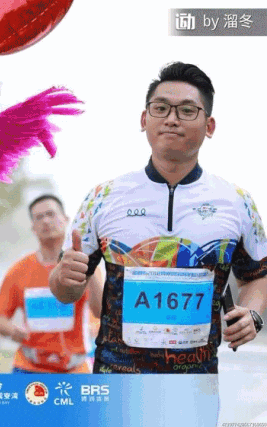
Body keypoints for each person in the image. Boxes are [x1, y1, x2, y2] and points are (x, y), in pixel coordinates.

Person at [49, 62, 267, 426]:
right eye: (161, 108)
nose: (172, 119)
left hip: (195, 387)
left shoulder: (237, 202)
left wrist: (253, 315)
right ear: (143, 119)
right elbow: (65, 291)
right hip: (116, 382)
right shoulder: (103, 197)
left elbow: (257, 275)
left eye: (187, 111)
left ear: (209, 126)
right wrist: (63, 278)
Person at [0, 195, 103, 373]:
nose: (45, 221)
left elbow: (100, 312)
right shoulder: (18, 270)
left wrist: (89, 267)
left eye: (51, 214)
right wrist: (12, 331)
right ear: (33, 227)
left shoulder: (83, 265)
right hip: (28, 369)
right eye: (39, 217)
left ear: (66, 219)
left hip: (75, 369)